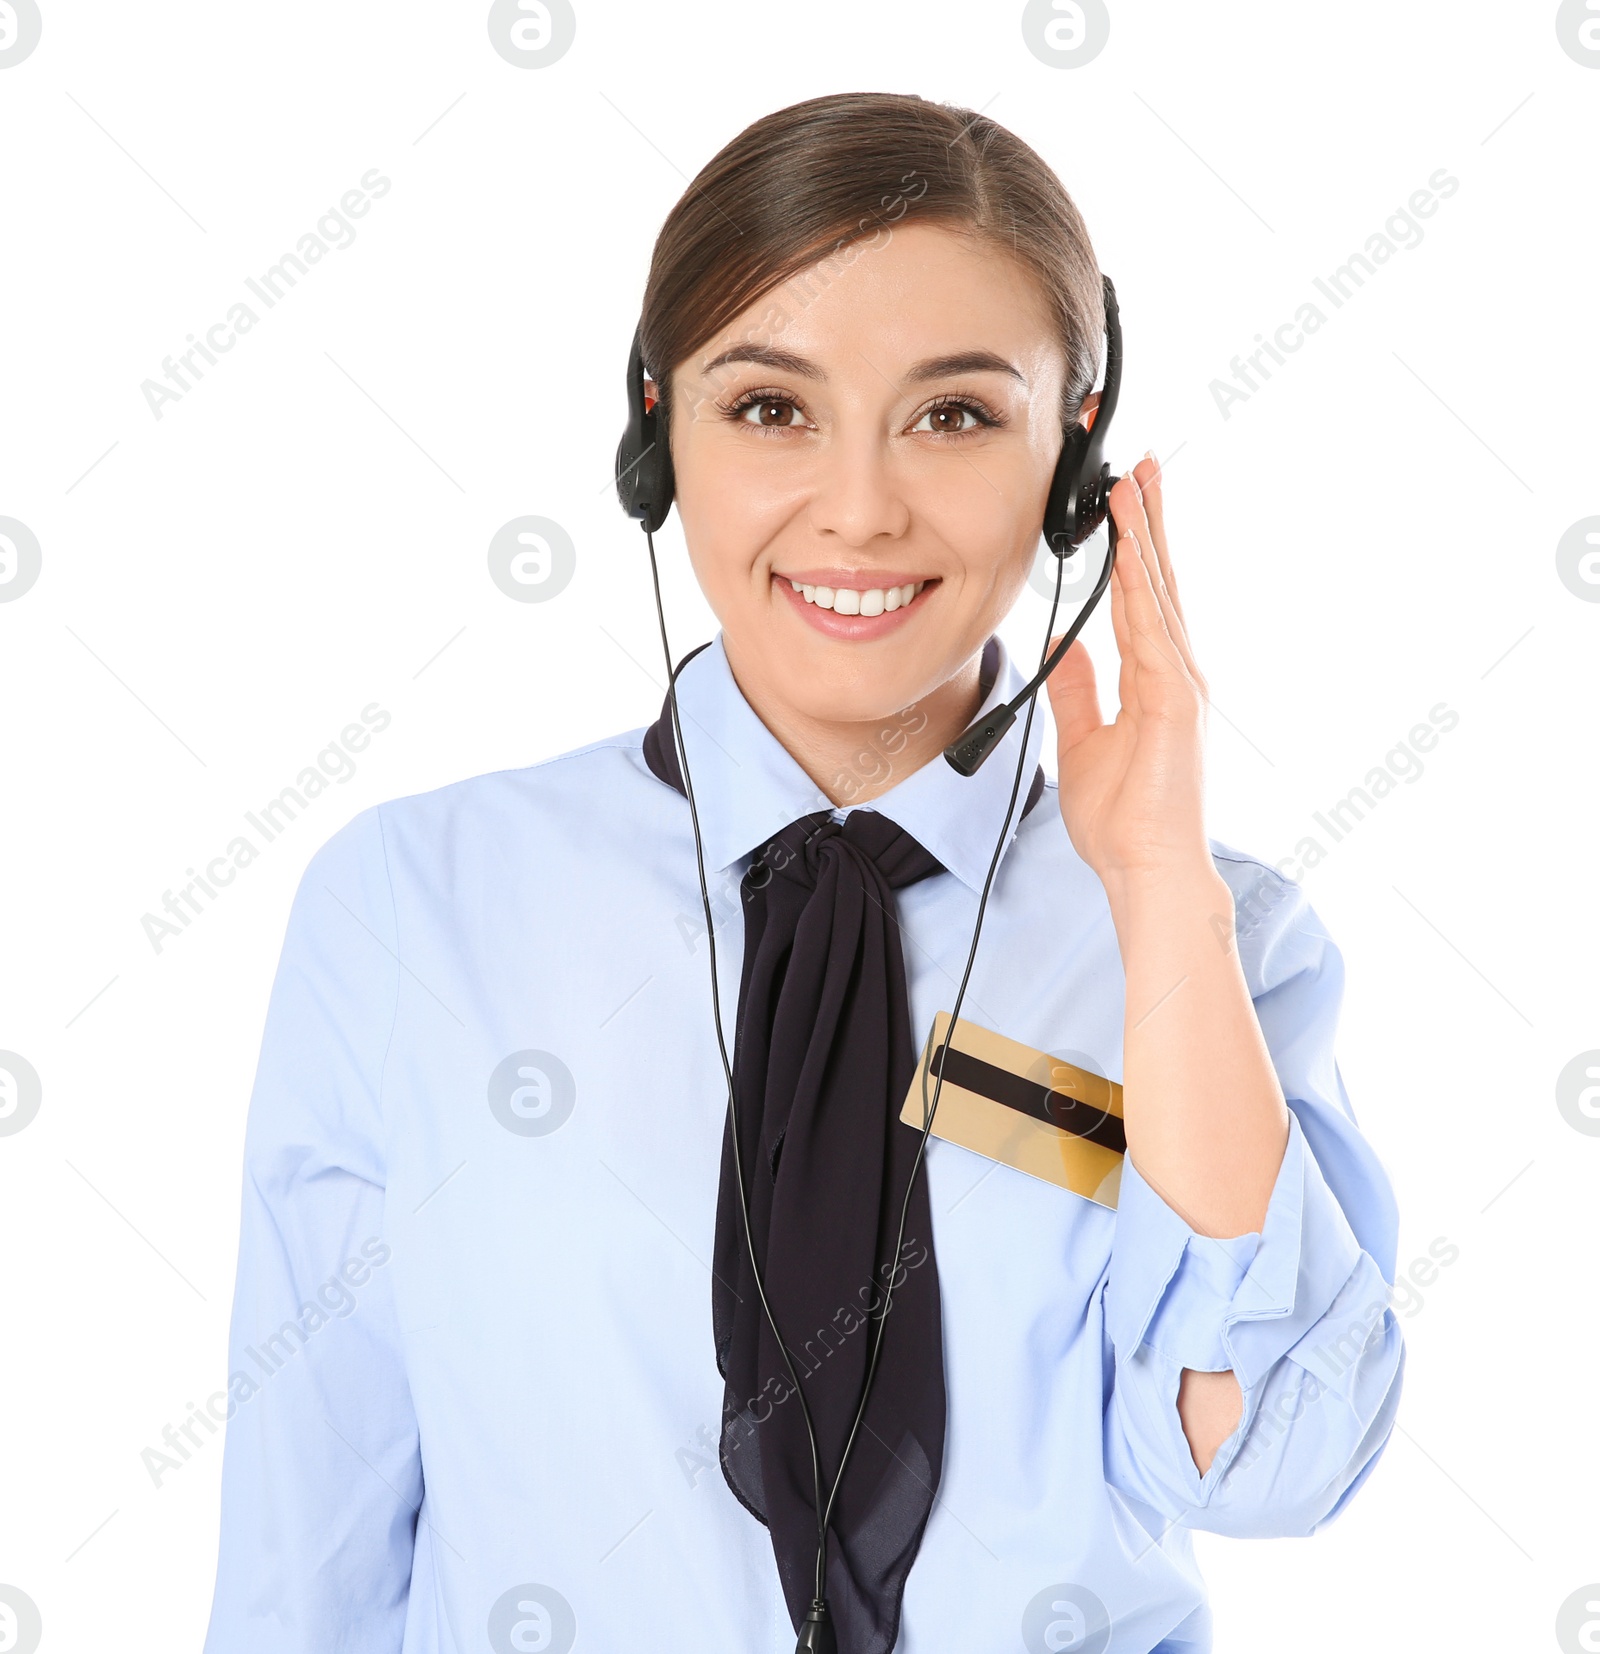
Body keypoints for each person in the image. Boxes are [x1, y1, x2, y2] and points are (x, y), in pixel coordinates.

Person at [201, 92, 1404, 1654]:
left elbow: (1273, 1463)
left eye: (956, 415)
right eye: (772, 408)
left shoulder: (1216, 943)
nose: (858, 507)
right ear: (656, 431)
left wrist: (1163, 891)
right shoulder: (411, 904)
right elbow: (313, 1544)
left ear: (1073, 454)